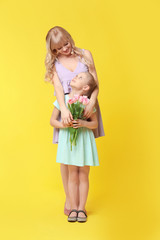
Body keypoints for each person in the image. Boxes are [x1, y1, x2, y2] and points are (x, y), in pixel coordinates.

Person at [44, 26, 105, 216]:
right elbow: (59, 90)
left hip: (86, 104)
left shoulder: (85, 54)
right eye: (58, 49)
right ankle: (70, 200)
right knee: (66, 155)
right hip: (66, 106)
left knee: (81, 149)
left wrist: (92, 101)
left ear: (70, 38)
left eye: (66, 44)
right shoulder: (55, 63)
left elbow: (95, 82)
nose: (64, 50)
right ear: (53, 51)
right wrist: (63, 109)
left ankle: (79, 205)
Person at [50, 71, 99, 222]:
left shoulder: (88, 102)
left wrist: (84, 123)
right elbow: (52, 121)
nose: (75, 76)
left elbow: (95, 123)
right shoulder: (63, 100)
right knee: (72, 176)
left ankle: (81, 208)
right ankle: (73, 208)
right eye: (77, 75)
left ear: (85, 87)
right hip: (69, 142)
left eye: (80, 77)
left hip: (84, 141)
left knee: (83, 175)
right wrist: (64, 125)